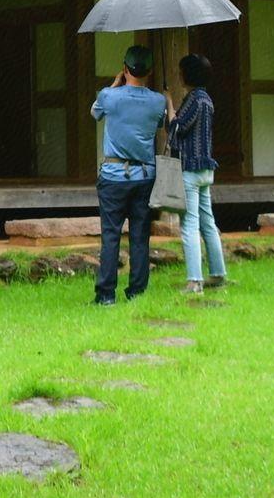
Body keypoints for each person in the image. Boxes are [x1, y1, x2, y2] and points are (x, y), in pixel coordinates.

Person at [91, 44, 170, 305]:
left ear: (125, 69)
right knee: (140, 236)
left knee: (110, 235)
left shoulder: (109, 96)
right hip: (145, 176)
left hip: (114, 176)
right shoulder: (158, 100)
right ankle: (137, 292)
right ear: (149, 71)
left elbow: (95, 112)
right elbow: (159, 123)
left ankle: (105, 295)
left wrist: (114, 85)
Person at [169, 52, 227, 293]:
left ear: (188, 74)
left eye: (182, 71)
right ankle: (218, 273)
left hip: (190, 169)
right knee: (208, 223)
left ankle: (194, 280)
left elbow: (177, 129)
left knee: (189, 224)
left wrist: (169, 105)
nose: (179, 75)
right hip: (205, 169)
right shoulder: (207, 99)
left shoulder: (194, 99)